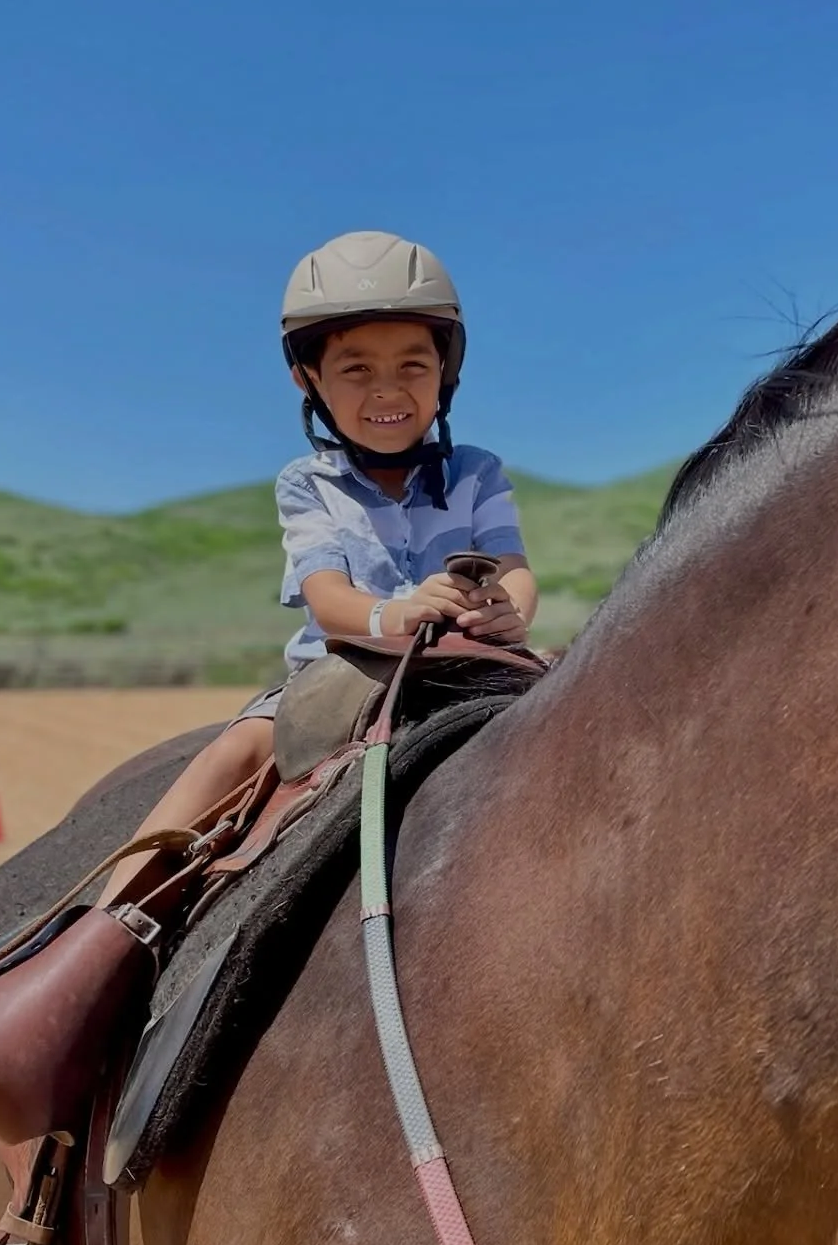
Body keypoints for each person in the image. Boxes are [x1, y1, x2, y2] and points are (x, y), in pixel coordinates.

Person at [96, 230, 537, 909]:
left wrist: (510, 610)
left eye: (413, 366)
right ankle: (106, 926)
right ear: (309, 379)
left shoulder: (477, 471)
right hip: (341, 675)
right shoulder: (307, 484)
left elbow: (511, 563)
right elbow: (325, 595)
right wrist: (392, 615)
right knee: (239, 751)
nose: (388, 390)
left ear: (444, 372)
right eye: (357, 369)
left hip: (468, 663)